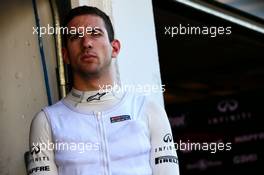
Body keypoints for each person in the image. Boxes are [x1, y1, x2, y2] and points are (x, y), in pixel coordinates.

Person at [28, 5, 179, 175]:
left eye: (95, 34)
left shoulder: (148, 110)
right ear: (65, 55)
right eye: (76, 37)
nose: (86, 43)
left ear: (115, 48)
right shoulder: (46, 121)